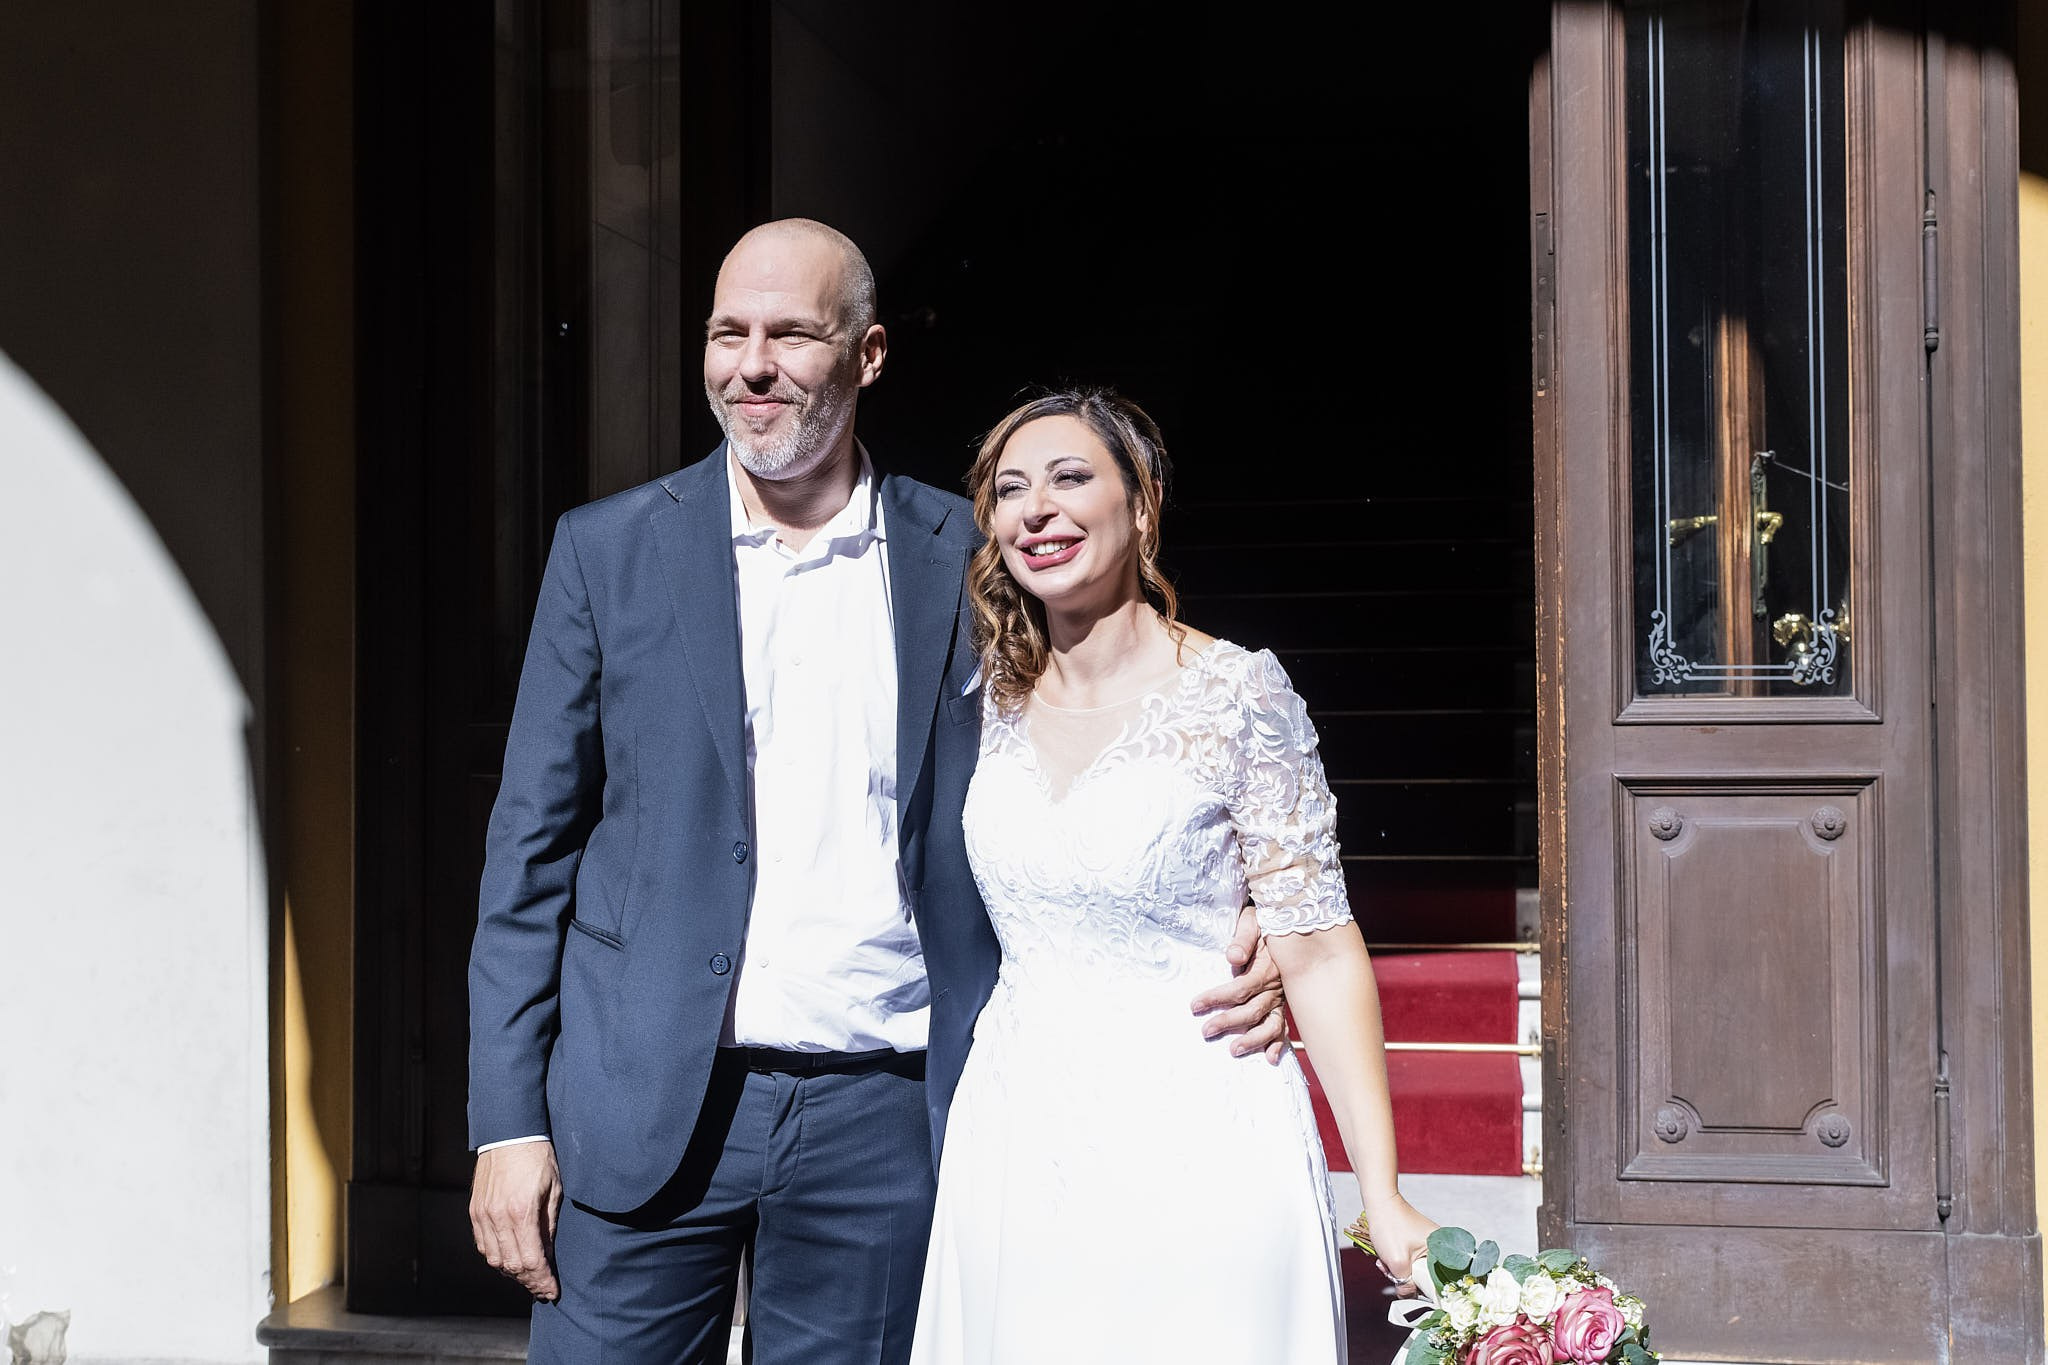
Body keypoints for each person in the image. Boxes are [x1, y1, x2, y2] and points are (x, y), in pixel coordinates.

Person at [464, 220, 1289, 1364]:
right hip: (641, 1102)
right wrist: (507, 1121)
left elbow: (1134, 719)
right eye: (726, 333)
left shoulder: (972, 556)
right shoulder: (606, 553)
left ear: (867, 354)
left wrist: (1250, 920)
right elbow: (529, 854)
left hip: (885, 1118)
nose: (750, 365)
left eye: (790, 333)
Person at [909, 389, 1439, 1364]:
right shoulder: (982, 697)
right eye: (1011, 489)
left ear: (1140, 505)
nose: (1038, 510)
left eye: (1070, 478)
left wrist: (1382, 1192)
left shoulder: (1237, 694)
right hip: (1017, 1133)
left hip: (1202, 1123)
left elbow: (1316, 946)